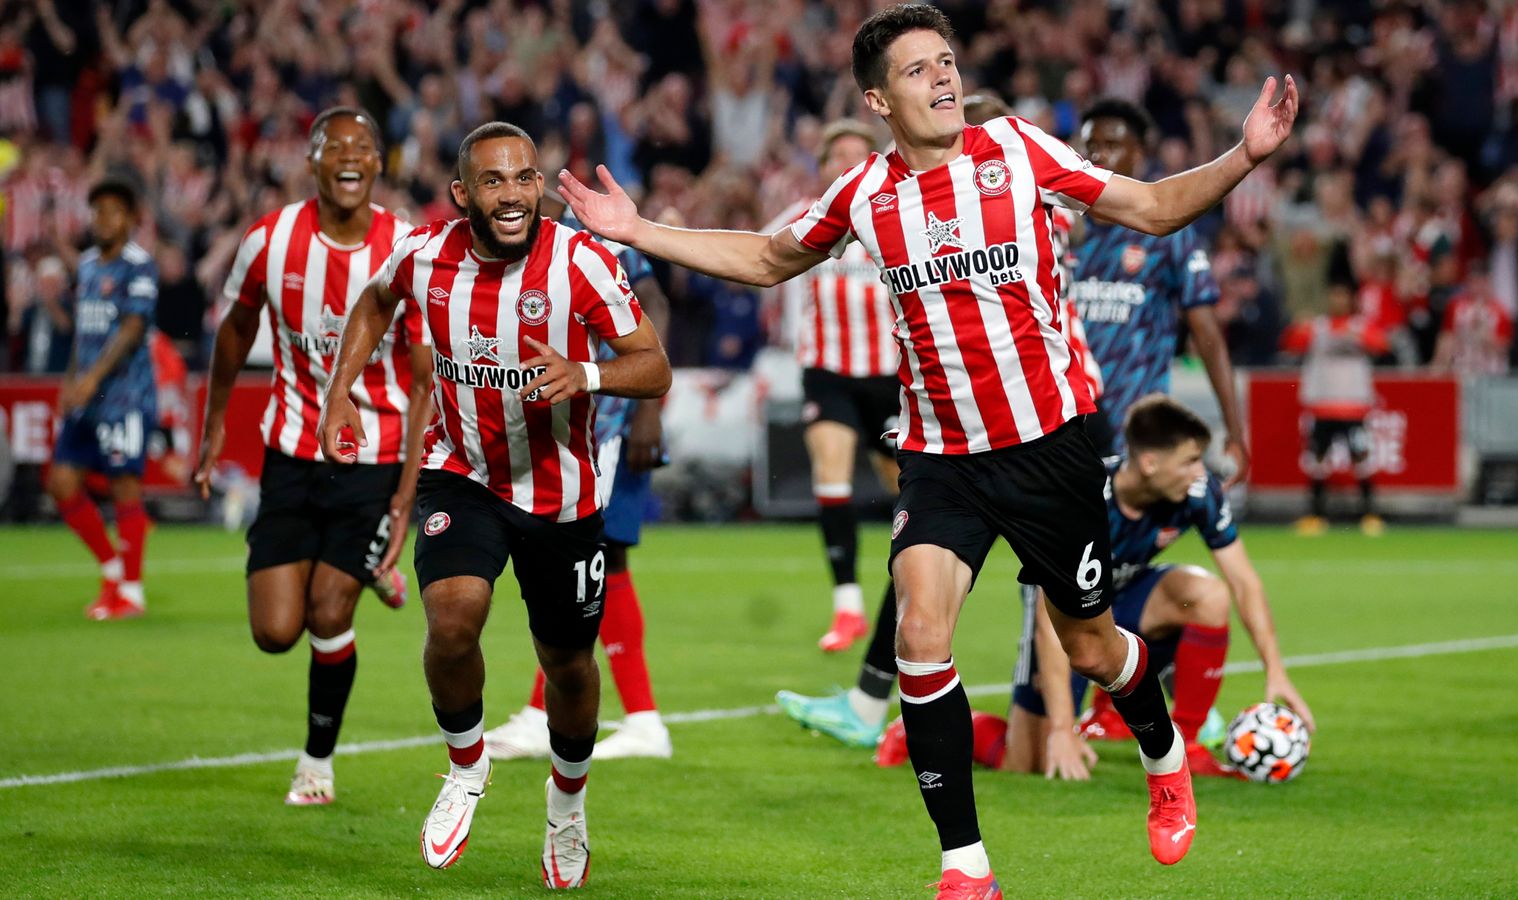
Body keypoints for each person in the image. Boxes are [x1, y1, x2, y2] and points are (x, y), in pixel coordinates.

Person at [558, 4, 1299, 891]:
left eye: (946, 62)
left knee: (1097, 651)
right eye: (918, 70)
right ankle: (966, 866)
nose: (944, 78)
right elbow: (764, 257)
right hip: (943, 457)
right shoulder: (864, 194)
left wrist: (1244, 155)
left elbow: (1149, 206)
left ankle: (1163, 750)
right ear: (878, 98)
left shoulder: (1017, 150)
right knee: (918, 629)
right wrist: (640, 231)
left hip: (1052, 445)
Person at [318, 122, 670, 886]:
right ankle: (465, 766)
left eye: (523, 178)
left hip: (562, 491)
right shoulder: (423, 254)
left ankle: (568, 805)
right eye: (493, 181)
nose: (511, 194)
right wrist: (341, 391)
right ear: (462, 194)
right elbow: (375, 304)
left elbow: (653, 364)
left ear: (538, 185)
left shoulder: (581, 260)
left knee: (570, 667)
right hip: (463, 474)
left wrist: (590, 373)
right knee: (450, 621)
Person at [774, 94, 1102, 750]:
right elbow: (771, 266)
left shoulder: (1019, 184)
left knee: (1085, 617)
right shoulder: (875, 200)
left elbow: (1095, 216)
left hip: (1050, 414)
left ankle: (1100, 717)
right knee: (919, 568)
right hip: (947, 422)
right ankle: (874, 697)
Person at [876, 396, 1316, 780]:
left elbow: (1243, 581)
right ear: (1149, 463)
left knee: (1208, 593)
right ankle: (910, 730)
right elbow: (1047, 622)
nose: (1199, 472)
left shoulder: (1199, 494)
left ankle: (1185, 740)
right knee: (1023, 760)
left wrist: (1274, 669)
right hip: (1060, 614)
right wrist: (1062, 731)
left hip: (1125, 606)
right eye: (1189, 460)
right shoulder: (1083, 495)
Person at [192, 107, 432, 807]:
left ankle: (316, 763)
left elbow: (423, 379)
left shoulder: (406, 246)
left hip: (376, 457)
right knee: (274, 632)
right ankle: (370, 572)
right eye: (336, 148)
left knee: (329, 616)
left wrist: (407, 491)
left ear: (379, 165)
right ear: (313, 161)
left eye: (365, 148)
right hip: (291, 452)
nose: (351, 158)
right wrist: (212, 431)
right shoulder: (270, 241)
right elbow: (236, 330)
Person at [483, 188, 674, 762]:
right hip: (574, 427)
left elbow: (652, 306)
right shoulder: (515, 245)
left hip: (608, 423)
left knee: (598, 558)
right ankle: (557, 713)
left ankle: (639, 718)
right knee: (587, 561)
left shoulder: (589, 233)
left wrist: (650, 411)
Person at [764, 118, 901, 653]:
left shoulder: (896, 213)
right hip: (827, 369)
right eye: (834, 154)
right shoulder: (803, 218)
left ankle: (910, 589)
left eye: (855, 153)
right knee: (831, 469)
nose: (844, 162)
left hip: (891, 373)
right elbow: (755, 255)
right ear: (820, 168)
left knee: (907, 493)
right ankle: (848, 606)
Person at [1070, 98, 1249, 481]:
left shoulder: (1167, 235)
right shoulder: (1058, 229)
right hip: (1068, 428)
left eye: (1112, 144)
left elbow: (1209, 336)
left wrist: (1235, 431)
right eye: (1090, 145)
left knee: (1125, 538)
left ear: (1140, 153)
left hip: (1139, 431)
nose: (1098, 155)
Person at [47, 177, 158, 621]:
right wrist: (71, 379)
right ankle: (113, 570)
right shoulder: (89, 265)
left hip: (125, 397)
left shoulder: (139, 264)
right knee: (60, 482)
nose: (104, 219)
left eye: (114, 211)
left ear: (131, 219)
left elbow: (133, 328)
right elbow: (84, 330)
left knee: (124, 488)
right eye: (98, 210)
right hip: (88, 395)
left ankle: (131, 592)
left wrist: (93, 377)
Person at [1279, 280, 1390, 536]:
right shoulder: (1317, 328)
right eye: (1335, 296)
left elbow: (1382, 345)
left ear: (1350, 301)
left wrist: (1357, 336)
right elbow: (1291, 342)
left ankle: (1370, 514)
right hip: (1322, 406)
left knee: (1361, 457)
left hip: (1353, 406)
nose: (1338, 302)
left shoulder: (1360, 327)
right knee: (1317, 459)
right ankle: (1316, 515)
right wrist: (1298, 325)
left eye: (1343, 297)